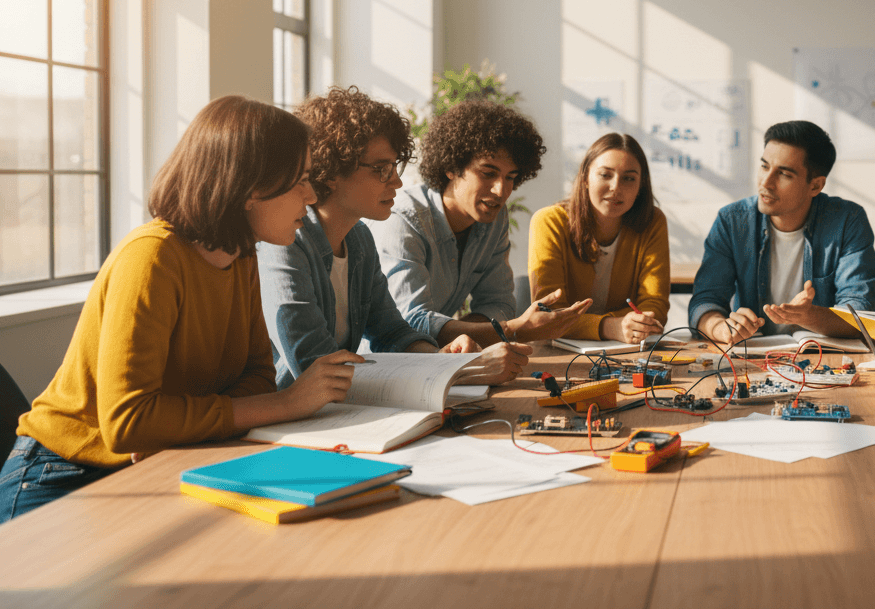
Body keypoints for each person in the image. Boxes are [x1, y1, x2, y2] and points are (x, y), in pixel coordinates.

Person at [0, 96, 360, 523]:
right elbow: (128, 423)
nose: (312, 194)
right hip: (60, 474)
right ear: (250, 189)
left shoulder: (241, 257)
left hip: (161, 461)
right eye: (299, 179)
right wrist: (285, 405)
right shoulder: (152, 257)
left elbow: (257, 376)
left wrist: (172, 425)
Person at [257, 87, 530, 389]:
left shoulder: (358, 238)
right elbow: (313, 365)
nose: (397, 181)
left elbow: (393, 333)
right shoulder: (284, 244)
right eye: (382, 169)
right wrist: (463, 371)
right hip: (290, 423)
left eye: (394, 167)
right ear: (332, 168)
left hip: (342, 412)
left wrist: (444, 359)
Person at [369, 100, 590, 347]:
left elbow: (499, 303)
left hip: (440, 362)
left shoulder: (493, 219)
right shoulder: (403, 221)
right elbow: (411, 322)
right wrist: (511, 330)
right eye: (488, 173)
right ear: (452, 167)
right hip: (380, 367)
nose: (501, 190)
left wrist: (473, 336)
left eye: (511, 178)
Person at [689, 120, 875, 345]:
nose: (766, 183)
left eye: (784, 174)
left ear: (815, 186)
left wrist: (809, 317)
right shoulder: (732, 221)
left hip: (821, 357)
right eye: (764, 166)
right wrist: (720, 327)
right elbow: (705, 301)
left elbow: (860, 312)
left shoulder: (847, 220)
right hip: (754, 358)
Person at [527, 133, 670, 344]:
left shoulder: (652, 222)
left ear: (641, 186)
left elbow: (654, 306)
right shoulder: (549, 221)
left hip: (625, 351)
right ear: (585, 178)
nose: (616, 187)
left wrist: (627, 326)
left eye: (629, 178)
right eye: (605, 175)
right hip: (556, 350)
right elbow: (550, 313)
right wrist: (609, 326)